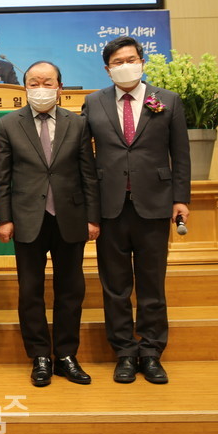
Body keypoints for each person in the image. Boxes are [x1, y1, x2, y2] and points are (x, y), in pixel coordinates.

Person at [83, 36, 190, 385]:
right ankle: (125, 353)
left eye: (131, 59)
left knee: (151, 283)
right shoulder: (93, 103)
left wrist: (180, 198)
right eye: (117, 61)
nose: (125, 65)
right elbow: (85, 159)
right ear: (107, 68)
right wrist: (89, 209)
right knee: (114, 286)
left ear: (142, 61)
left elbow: (181, 154)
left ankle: (152, 351)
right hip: (110, 206)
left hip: (155, 203)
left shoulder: (167, 100)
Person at [0, 60, 100, 387]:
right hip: (27, 219)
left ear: (60, 88)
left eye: (47, 82)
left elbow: (88, 174)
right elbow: (1, 178)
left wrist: (93, 217)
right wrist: (4, 219)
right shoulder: (8, 124)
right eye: (34, 83)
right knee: (31, 292)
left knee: (70, 290)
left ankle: (66, 355)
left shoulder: (78, 124)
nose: (41, 88)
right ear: (24, 88)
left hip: (70, 216)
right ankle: (39, 356)